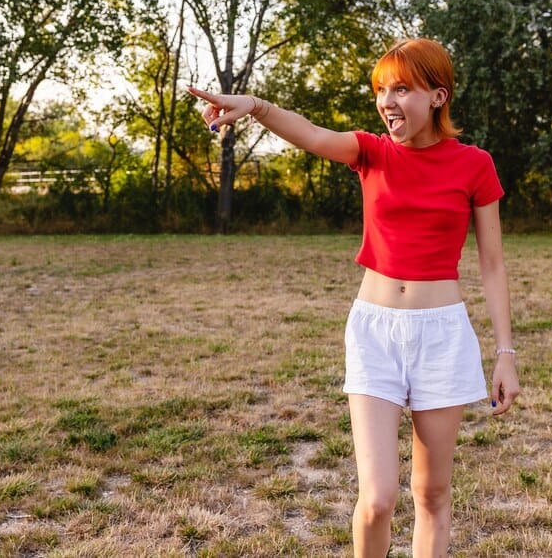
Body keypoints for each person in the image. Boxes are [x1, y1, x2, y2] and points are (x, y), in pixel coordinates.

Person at [188, 37, 519, 558]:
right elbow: (311, 134)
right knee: (378, 498)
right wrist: (254, 107)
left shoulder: (474, 165)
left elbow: (494, 265)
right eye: (382, 90)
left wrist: (505, 354)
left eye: (403, 89)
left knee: (431, 492)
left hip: (442, 336)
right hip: (375, 333)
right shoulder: (371, 152)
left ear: (437, 96)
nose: (388, 101)